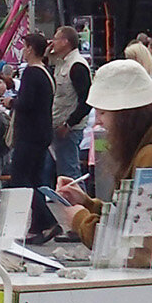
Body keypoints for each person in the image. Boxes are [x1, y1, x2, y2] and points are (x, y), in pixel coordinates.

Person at [57, 60, 152, 268]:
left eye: (104, 113)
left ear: (127, 116)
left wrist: (80, 220)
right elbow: (134, 217)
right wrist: (88, 204)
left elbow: (139, 247)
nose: (98, 121)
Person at [8, 33, 62, 242]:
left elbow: (27, 103)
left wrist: (11, 103)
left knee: (20, 178)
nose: (23, 50)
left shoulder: (31, 73)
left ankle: (48, 220)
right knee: (36, 179)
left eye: (24, 46)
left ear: (30, 49)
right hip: (42, 133)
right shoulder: (46, 73)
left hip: (29, 135)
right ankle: (38, 225)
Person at [48, 26, 93, 184]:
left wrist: (69, 124)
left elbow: (87, 100)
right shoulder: (61, 63)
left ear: (65, 42)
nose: (52, 43)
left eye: (55, 39)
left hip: (68, 129)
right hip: (57, 124)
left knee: (70, 172)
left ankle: (80, 203)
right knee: (60, 172)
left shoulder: (77, 66)